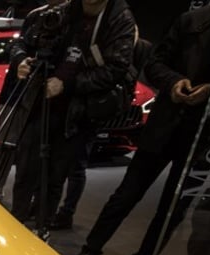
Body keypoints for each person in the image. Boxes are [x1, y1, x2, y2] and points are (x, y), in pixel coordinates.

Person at [68, 0, 210, 255]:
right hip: (167, 122)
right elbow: (155, 63)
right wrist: (174, 82)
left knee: (174, 207)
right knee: (127, 193)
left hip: (208, 130)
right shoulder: (194, 20)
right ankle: (92, 247)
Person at [8, 0, 135, 241]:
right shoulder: (62, 11)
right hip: (38, 104)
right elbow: (22, 42)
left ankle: (39, 234)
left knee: (54, 178)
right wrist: (21, 59)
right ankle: (14, 226)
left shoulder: (119, 19)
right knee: (25, 170)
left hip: (76, 115)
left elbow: (116, 69)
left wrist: (67, 85)